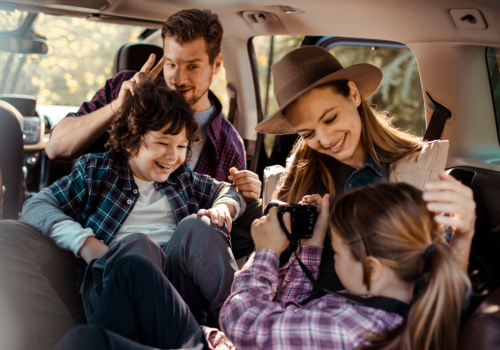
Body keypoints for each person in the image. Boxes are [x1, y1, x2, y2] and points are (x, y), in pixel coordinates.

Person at [53, 182, 470, 350]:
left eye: (338, 255)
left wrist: (267, 253)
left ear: (374, 269)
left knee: (87, 341)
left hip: (232, 340)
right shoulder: (404, 302)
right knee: (133, 270)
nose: (334, 260)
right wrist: (314, 244)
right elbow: (289, 315)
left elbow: (242, 320)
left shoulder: (343, 330)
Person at [0, 82, 244, 350]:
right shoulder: (97, 172)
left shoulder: (183, 180)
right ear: (131, 141)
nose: (173, 157)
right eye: (162, 143)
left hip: (172, 301)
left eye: (182, 146)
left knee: (202, 226)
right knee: (139, 246)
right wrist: (85, 243)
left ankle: (244, 325)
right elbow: (36, 205)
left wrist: (224, 206)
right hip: (115, 293)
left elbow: (228, 190)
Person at [255, 46, 476, 290]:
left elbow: (443, 295)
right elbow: (275, 271)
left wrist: (463, 236)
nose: (326, 140)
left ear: (353, 94)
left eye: (330, 119)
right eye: (308, 133)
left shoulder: (418, 172)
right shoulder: (301, 173)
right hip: (300, 316)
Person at [44, 8, 261, 257]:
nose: (178, 79)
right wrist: (117, 108)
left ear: (216, 64)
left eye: (192, 66)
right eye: (171, 64)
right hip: (98, 245)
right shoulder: (126, 89)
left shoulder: (229, 143)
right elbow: (55, 147)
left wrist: (242, 194)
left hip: (177, 263)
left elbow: (222, 224)